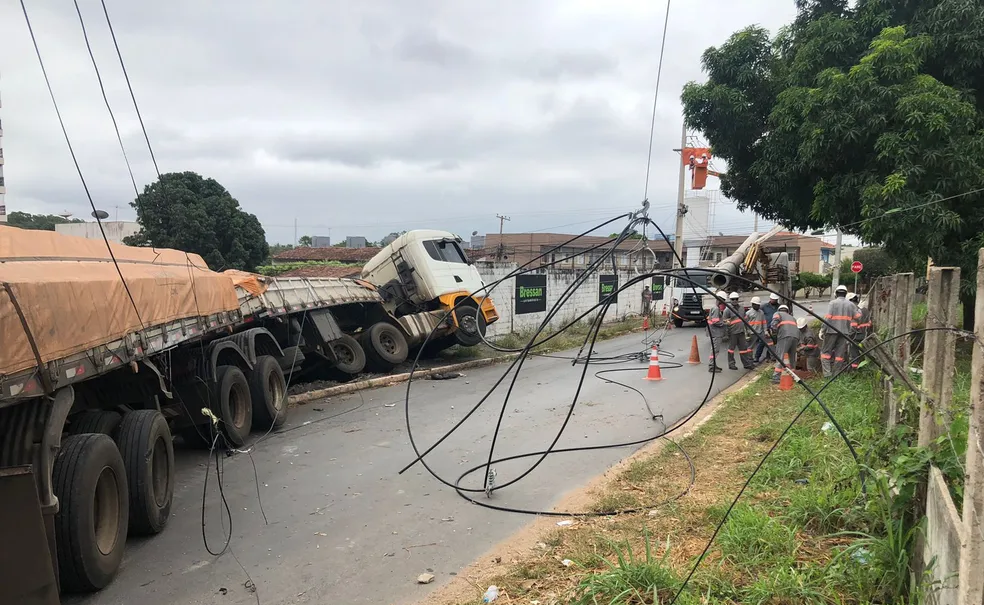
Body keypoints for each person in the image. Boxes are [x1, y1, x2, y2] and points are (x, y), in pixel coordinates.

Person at [820, 284, 862, 377]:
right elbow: (858, 318)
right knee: (839, 355)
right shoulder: (850, 305)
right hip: (845, 333)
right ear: (845, 294)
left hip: (831, 331)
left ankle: (827, 375)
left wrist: (822, 330)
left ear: (836, 294)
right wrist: (859, 309)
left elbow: (828, 318)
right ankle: (836, 375)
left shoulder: (833, 303)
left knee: (825, 353)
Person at [724, 291, 754, 370]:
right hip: (732, 333)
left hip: (741, 332)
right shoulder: (727, 310)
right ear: (730, 300)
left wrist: (747, 331)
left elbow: (745, 320)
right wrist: (726, 334)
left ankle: (746, 364)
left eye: (736, 299)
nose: (734, 300)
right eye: (733, 299)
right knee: (731, 349)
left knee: (743, 349)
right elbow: (725, 322)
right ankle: (731, 364)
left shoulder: (741, 308)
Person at [769, 304, 799, 383]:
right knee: (792, 357)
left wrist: (773, 333)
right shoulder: (793, 318)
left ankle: (776, 377)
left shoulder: (777, 314)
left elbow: (773, 324)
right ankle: (793, 376)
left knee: (780, 355)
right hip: (795, 337)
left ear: (779, 310)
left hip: (785, 336)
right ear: (787, 311)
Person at [848, 292, 870, 370]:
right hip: (864, 335)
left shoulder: (853, 311)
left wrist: (848, 337)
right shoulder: (865, 310)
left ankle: (855, 371)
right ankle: (863, 369)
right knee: (862, 354)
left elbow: (852, 327)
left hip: (855, 336)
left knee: (854, 355)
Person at [706, 291, 728, 373]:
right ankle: (711, 366)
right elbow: (716, 322)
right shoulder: (716, 309)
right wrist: (725, 323)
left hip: (714, 332)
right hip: (716, 333)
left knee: (715, 350)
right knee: (715, 350)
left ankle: (713, 364)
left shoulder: (714, 307)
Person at [745, 296, 769, 364]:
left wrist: (765, 330)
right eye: (756, 305)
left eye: (759, 305)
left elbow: (764, 322)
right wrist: (747, 333)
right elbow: (745, 324)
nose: (758, 306)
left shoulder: (761, 312)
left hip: (760, 331)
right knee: (750, 347)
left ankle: (757, 357)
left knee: (764, 343)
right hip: (752, 332)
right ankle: (750, 360)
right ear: (753, 304)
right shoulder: (748, 313)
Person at [760, 293, 779, 360]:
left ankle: (770, 356)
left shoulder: (779, 307)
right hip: (767, 328)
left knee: (773, 343)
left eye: (776, 300)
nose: (774, 301)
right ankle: (757, 357)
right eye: (773, 299)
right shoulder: (764, 306)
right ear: (770, 299)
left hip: (775, 328)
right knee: (762, 343)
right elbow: (760, 314)